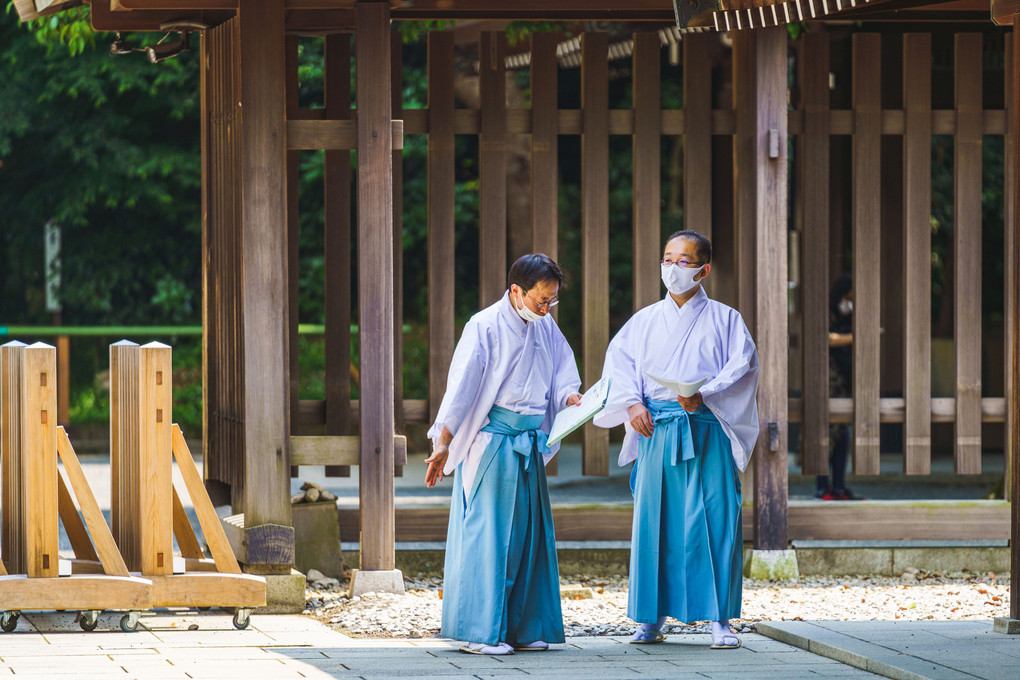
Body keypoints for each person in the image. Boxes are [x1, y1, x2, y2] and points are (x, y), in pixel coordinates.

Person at [594, 230, 759, 649]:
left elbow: (742, 367)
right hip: (657, 429)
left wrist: (705, 395)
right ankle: (650, 617)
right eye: (667, 259)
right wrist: (632, 405)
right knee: (655, 522)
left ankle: (720, 618)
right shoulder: (644, 321)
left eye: (684, 261)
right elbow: (619, 367)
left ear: (703, 270)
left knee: (717, 520)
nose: (672, 268)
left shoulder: (726, 319)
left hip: (706, 428)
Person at [425, 254, 582, 656]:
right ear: (516, 291)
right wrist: (443, 441)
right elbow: (460, 387)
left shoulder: (545, 325)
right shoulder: (485, 325)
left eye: (552, 301)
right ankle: (479, 633)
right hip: (493, 440)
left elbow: (563, 369)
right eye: (540, 300)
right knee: (490, 536)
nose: (546, 308)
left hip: (530, 441)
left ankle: (523, 627)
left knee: (528, 537)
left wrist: (570, 395)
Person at [815, 273, 863, 501]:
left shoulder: (851, 312)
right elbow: (824, 338)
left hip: (844, 377)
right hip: (828, 378)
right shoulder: (828, 312)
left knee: (842, 433)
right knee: (826, 434)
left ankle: (839, 485)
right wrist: (856, 337)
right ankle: (823, 485)